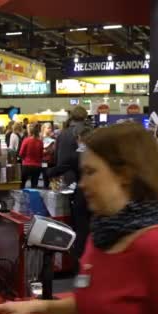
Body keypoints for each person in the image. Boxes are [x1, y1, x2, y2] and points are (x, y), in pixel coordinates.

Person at [0, 123, 158, 314]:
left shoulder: (157, 251)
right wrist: (35, 306)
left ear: (124, 175)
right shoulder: (102, 237)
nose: (83, 183)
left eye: (91, 172)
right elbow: (90, 306)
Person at [48, 106, 91, 260]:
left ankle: (69, 256)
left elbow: (57, 160)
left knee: (66, 219)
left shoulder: (62, 134)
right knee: (85, 225)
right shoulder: (89, 133)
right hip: (84, 186)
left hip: (65, 181)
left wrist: (51, 174)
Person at [19, 123, 44, 189]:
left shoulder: (26, 140)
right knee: (34, 185)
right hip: (37, 166)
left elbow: (21, 153)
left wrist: (24, 158)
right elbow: (41, 155)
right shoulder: (40, 142)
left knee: (22, 184)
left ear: (29, 132)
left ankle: (23, 198)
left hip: (26, 165)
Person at [41, 123, 56, 189]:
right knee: (45, 176)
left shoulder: (54, 138)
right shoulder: (41, 138)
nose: (50, 129)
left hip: (52, 160)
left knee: (52, 176)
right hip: (44, 160)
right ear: (44, 129)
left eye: (51, 128)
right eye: (48, 128)